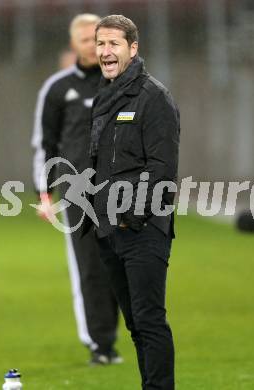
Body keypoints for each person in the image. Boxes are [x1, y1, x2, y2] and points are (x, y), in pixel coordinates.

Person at [89, 14, 180, 389]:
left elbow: (162, 167)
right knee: (135, 325)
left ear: (133, 48)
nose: (105, 51)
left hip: (142, 228)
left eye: (113, 44)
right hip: (110, 229)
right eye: (100, 44)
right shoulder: (105, 94)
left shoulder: (153, 97)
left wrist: (132, 215)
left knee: (149, 320)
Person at [31, 13, 121, 365]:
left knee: (123, 263)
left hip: (121, 189)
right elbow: (45, 143)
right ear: (74, 44)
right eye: (86, 40)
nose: (94, 46)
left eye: (99, 39)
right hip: (76, 192)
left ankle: (122, 333)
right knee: (89, 267)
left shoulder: (123, 83)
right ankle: (100, 344)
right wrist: (44, 193)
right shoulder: (57, 88)